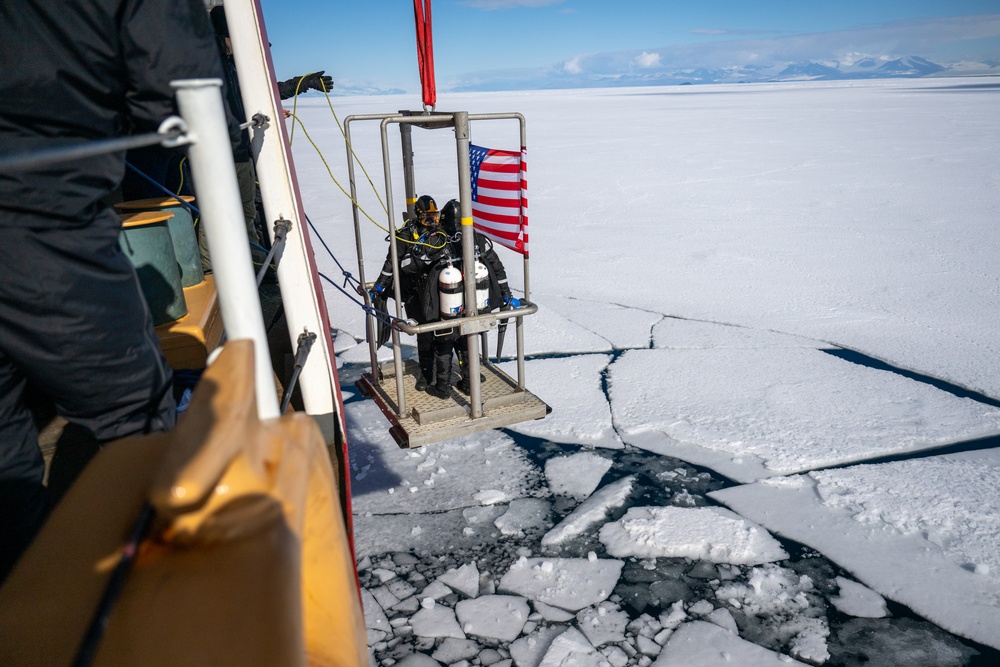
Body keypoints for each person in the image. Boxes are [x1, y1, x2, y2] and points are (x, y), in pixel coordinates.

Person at [0, 0, 226, 582]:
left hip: (36, 206)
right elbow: (180, 94)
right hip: (39, 219)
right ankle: (160, 589)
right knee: (130, 406)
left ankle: (27, 597)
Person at [207, 5, 332, 264]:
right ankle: (220, 273)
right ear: (225, 36)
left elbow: (260, 90)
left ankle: (256, 267)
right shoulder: (211, 65)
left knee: (248, 212)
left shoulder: (231, 65)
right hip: (220, 154)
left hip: (241, 151)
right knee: (221, 215)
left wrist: (301, 83)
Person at [371, 195, 452, 395]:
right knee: (423, 334)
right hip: (415, 293)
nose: (432, 221)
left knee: (446, 334)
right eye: (427, 217)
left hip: (440, 292)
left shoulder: (443, 235)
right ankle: (426, 374)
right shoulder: (405, 236)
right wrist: (380, 286)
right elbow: (391, 263)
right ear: (418, 216)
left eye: (435, 216)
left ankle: (444, 380)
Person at [438, 199, 520, 393]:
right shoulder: (477, 240)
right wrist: (505, 293)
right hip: (474, 303)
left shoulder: (440, 242)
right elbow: (497, 267)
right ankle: (470, 377)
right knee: (469, 338)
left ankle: (442, 385)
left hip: (450, 303)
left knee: (445, 340)